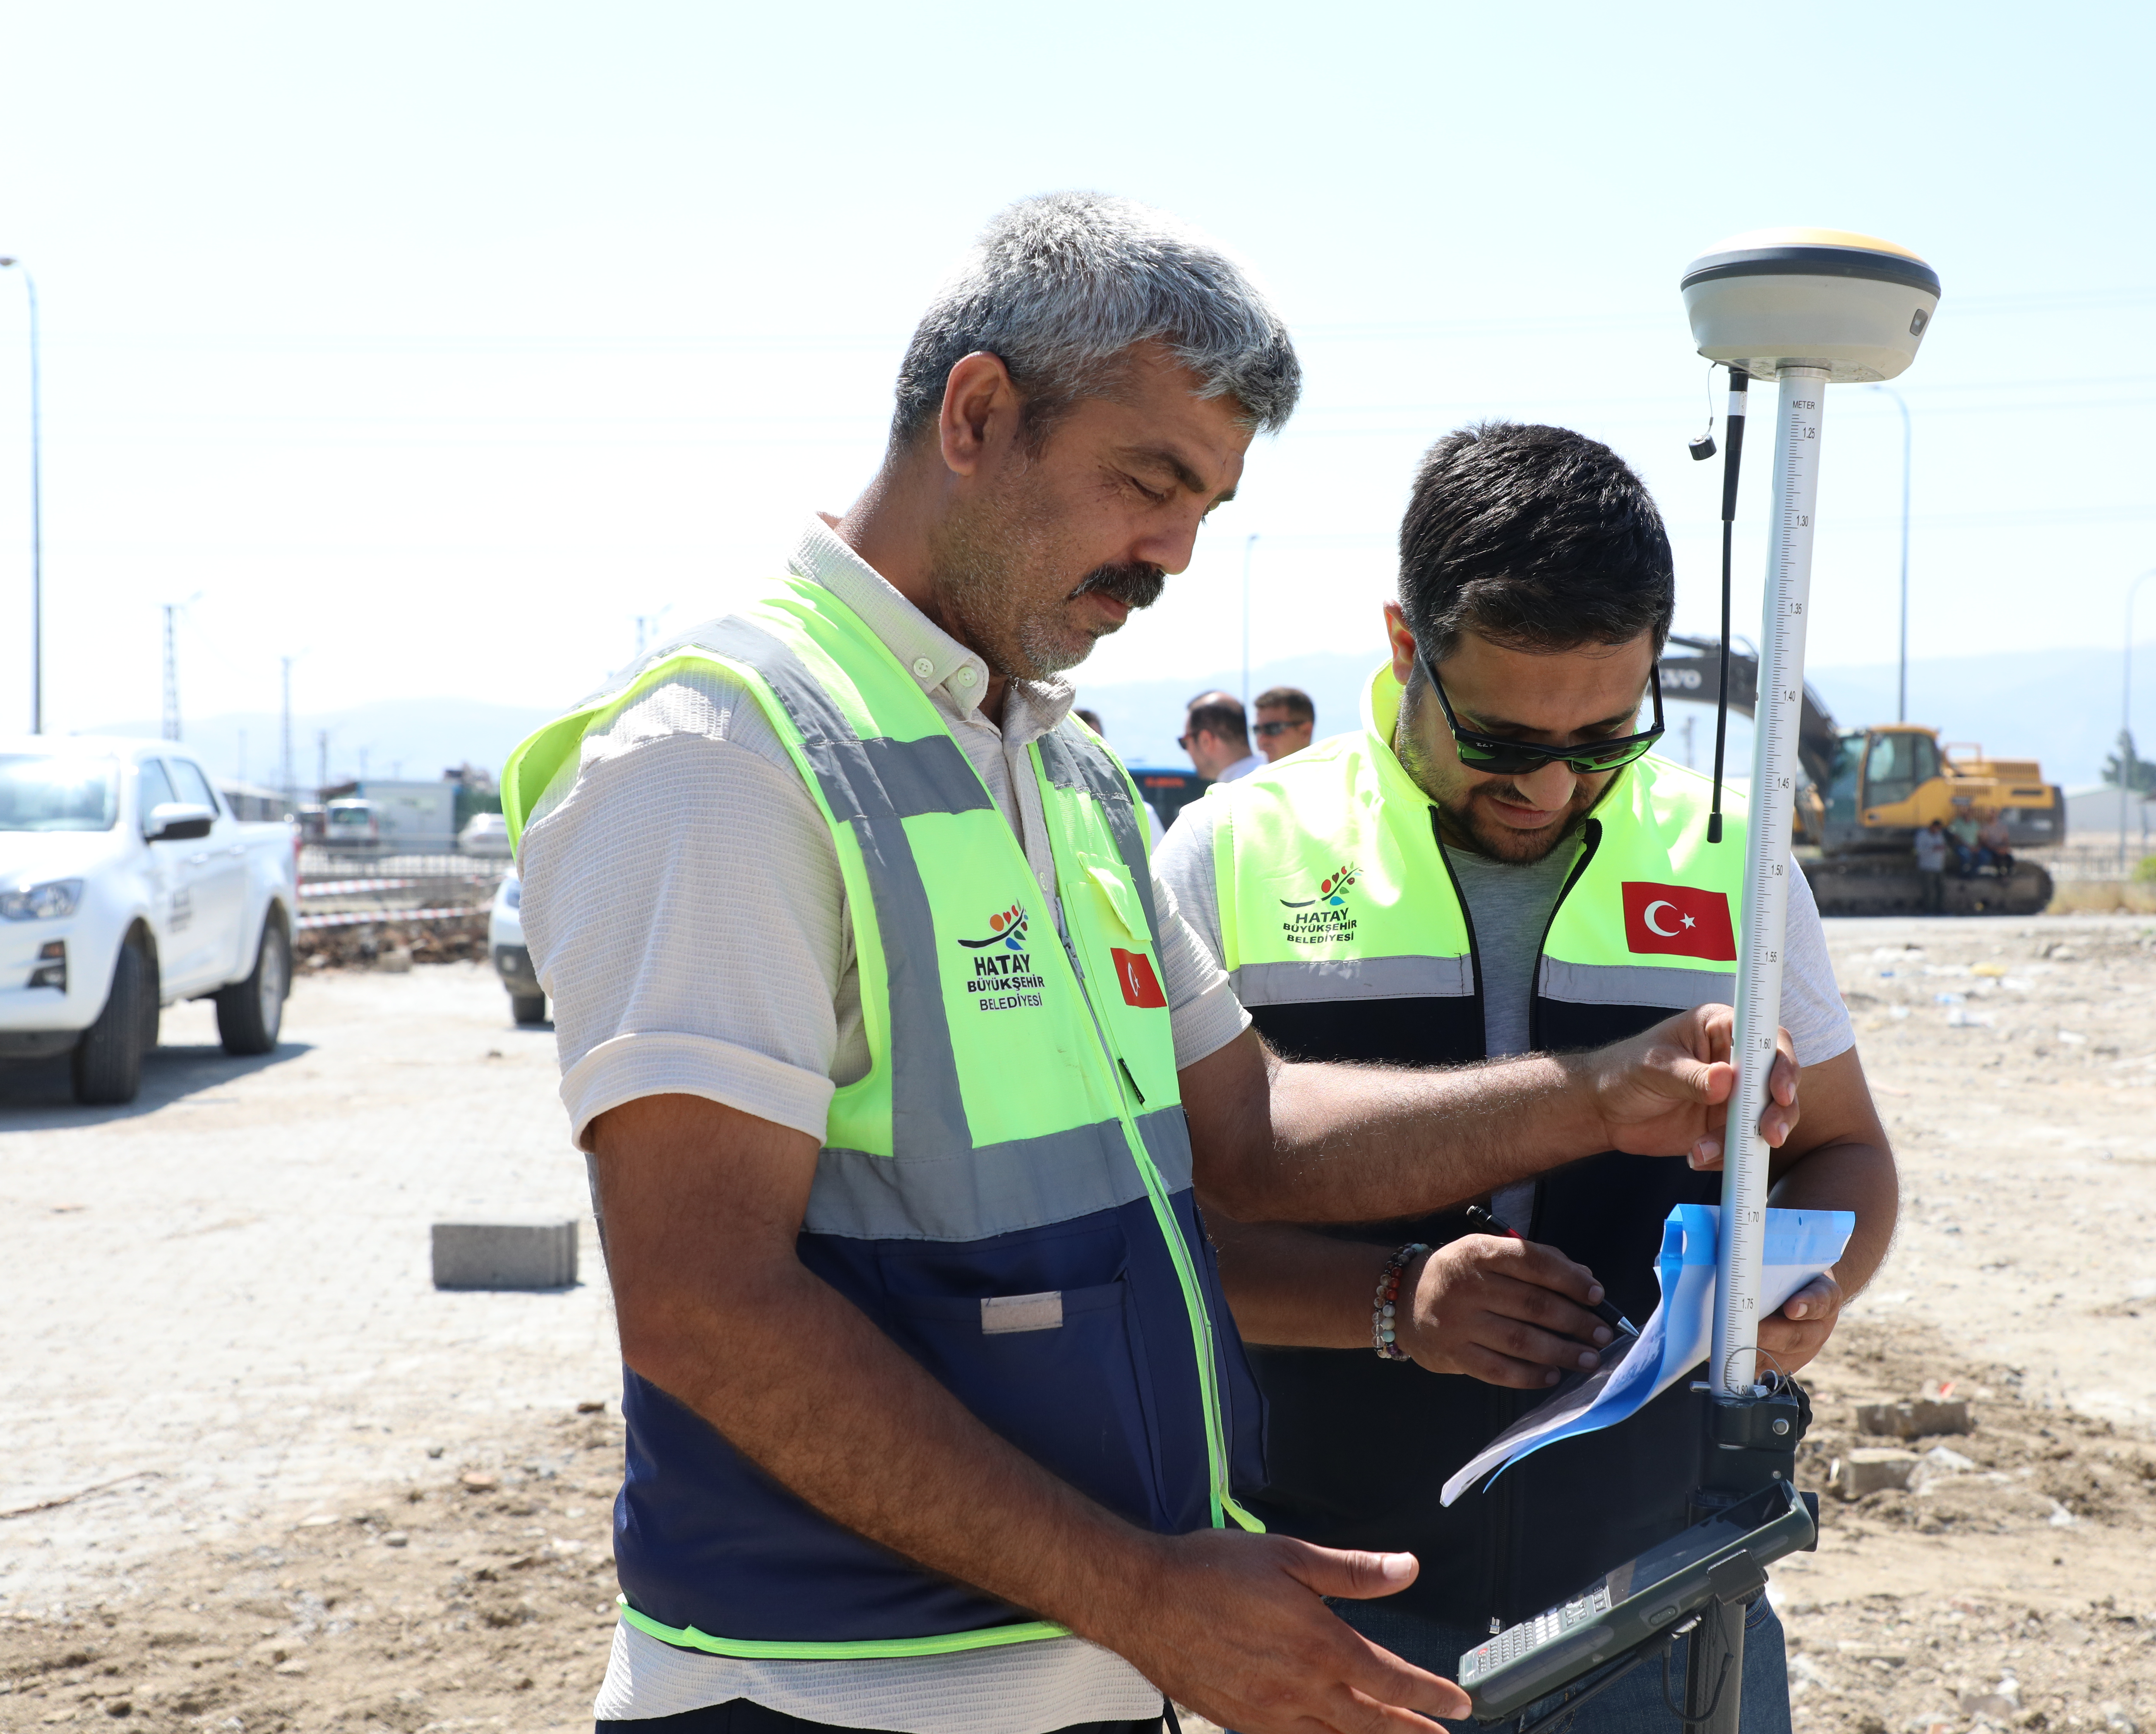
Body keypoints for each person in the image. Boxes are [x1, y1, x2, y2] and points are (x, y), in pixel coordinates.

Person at [507, 197, 1786, 1734]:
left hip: (1100, 1680)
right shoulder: (724, 758)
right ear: (978, 415)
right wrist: (1144, 1592)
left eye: (1209, 505)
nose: (1175, 552)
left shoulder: (1067, 777)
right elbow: (704, 1301)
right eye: (1150, 481)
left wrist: (1603, 1095)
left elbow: (1248, 1135)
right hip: (825, 1698)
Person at [1154, 423, 1898, 1734]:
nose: (1548, 785)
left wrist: (1800, 1290)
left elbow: (1848, 1156)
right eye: (1500, 738)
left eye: (1605, 735)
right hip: (1322, 1603)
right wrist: (1386, 1303)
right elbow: (1145, 1236)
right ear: (1404, 647)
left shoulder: (1729, 855)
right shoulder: (1232, 853)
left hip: (1663, 1601)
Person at [1181, 690, 1264, 781]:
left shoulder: (1229, 793)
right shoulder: (1277, 777)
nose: (1187, 751)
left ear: (1206, 740)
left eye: (1185, 742)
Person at [1252, 685, 1315, 762]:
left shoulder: (1328, 773)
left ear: (1305, 732)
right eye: (1257, 730)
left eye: (1272, 729)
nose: (1262, 740)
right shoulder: (1251, 773)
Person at [1915, 818, 1950, 912]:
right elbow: (1919, 851)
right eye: (1936, 828)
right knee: (1929, 890)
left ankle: (1940, 908)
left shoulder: (1939, 836)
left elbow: (1944, 848)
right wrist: (1933, 849)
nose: (1937, 831)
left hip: (1939, 867)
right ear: (1932, 827)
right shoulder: (1922, 835)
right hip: (1927, 867)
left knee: (1941, 889)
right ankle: (1928, 910)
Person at [1947, 802, 1983, 877]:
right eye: (1967, 812)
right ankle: (1963, 874)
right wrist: (1967, 846)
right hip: (1961, 846)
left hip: (1974, 847)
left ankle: (1973, 873)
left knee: (1985, 856)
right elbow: (1954, 836)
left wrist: (1978, 847)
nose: (1968, 814)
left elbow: (1980, 837)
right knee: (1966, 855)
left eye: (1970, 813)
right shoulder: (1957, 822)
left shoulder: (1975, 824)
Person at [1978, 805, 2013, 877]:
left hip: (2001, 848)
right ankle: (2000, 877)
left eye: (1994, 813)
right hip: (1991, 849)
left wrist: (2005, 848)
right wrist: (1996, 849)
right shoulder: (1985, 827)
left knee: (2010, 859)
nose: (1993, 815)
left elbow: (2006, 839)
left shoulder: (2002, 826)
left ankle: (2008, 876)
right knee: (1998, 860)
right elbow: (1984, 842)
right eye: (1991, 813)